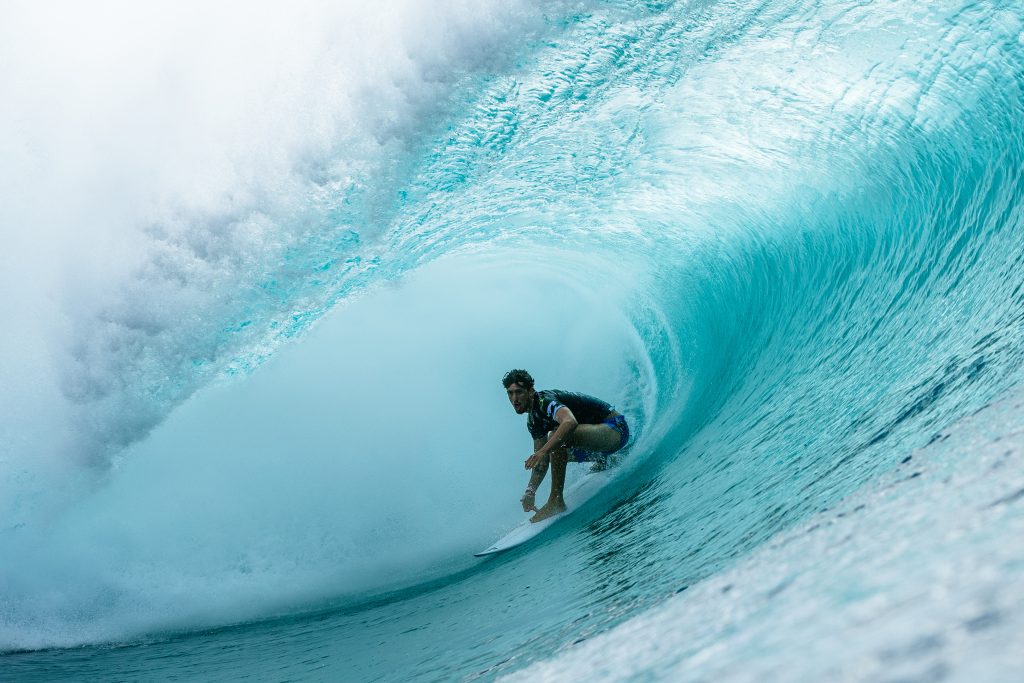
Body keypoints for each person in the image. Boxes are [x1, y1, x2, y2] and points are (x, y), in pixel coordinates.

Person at [502, 369, 629, 523]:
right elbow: (541, 462)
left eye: (519, 392)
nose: (514, 398)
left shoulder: (545, 402)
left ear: (530, 391)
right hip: (598, 440)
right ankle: (606, 459)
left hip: (615, 429)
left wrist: (543, 451)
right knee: (552, 447)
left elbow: (570, 421)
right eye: (510, 393)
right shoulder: (533, 421)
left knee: (556, 439)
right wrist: (531, 491)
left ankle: (556, 501)